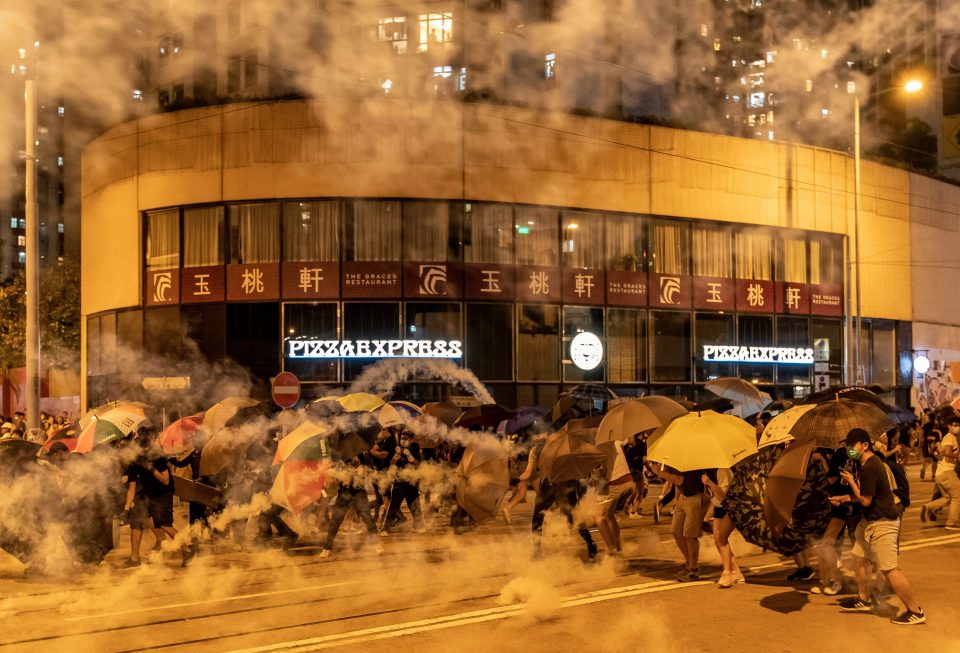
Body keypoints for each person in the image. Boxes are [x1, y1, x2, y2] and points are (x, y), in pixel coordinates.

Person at [832, 429, 925, 625]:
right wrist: (843, 497)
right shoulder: (864, 464)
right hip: (869, 523)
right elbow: (866, 496)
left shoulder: (870, 466)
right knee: (858, 558)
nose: (849, 449)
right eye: (847, 445)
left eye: (852, 445)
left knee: (889, 570)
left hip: (883, 523)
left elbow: (865, 500)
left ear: (864, 445)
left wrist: (850, 482)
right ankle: (863, 599)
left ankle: (915, 611)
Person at [122, 433, 194, 568]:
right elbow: (132, 487)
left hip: (161, 493)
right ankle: (134, 558)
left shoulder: (157, 457)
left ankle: (187, 548)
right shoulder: (134, 461)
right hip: (144, 494)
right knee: (136, 522)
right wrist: (127, 507)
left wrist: (151, 468)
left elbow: (166, 481)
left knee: (164, 524)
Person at [319, 456, 383, 557]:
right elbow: (334, 477)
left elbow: (369, 472)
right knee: (335, 520)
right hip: (344, 492)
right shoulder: (339, 455)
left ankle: (376, 544)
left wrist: (359, 466)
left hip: (359, 492)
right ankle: (327, 548)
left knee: (367, 518)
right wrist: (333, 472)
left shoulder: (362, 454)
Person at [656, 463, 707, 581]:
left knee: (690, 535)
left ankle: (693, 569)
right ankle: (689, 563)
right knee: (676, 531)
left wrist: (659, 472)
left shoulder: (693, 459)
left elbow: (679, 480)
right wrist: (677, 500)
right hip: (683, 497)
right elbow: (678, 484)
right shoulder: (680, 457)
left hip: (695, 497)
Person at [701, 468, 745, 588]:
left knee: (721, 538)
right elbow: (714, 498)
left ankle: (727, 573)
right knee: (718, 540)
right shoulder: (709, 471)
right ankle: (737, 572)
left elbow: (723, 495)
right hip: (719, 508)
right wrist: (707, 516)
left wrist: (709, 483)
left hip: (731, 507)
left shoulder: (722, 470)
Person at [594, 439, 634, 558]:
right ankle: (618, 548)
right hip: (629, 482)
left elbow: (602, 473)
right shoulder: (615, 441)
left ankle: (612, 550)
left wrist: (597, 473)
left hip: (617, 483)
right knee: (609, 516)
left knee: (598, 516)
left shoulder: (599, 446)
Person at [920, 415, 960, 530]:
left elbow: (941, 454)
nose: (957, 427)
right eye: (955, 425)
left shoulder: (948, 437)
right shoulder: (951, 437)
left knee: (948, 497)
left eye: (959, 425)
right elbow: (947, 452)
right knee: (958, 495)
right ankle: (952, 522)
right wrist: (957, 456)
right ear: (949, 426)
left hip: (940, 473)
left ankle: (929, 507)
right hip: (947, 472)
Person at [382, 430, 424, 534]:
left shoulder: (414, 447)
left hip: (411, 481)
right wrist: (395, 457)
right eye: (402, 438)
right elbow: (391, 465)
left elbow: (418, 464)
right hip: (399, 482)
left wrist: (410, 457)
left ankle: (419, 526)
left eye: (406, 439)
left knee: (415, 504)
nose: (403, 440)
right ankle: (385, 528)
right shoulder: (396, 448)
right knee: (393, 506)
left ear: (411, 440)